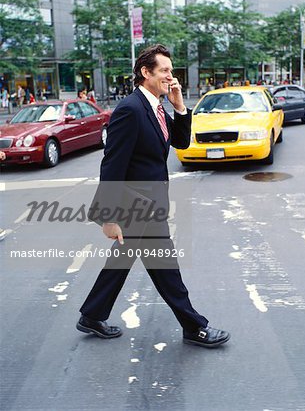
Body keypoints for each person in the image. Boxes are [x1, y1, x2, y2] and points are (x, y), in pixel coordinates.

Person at [76, 44, 230, 348]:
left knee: (123, 264)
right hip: (136, 207)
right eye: (164, 71)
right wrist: (108, 217)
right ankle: (194, 326)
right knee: (166, 269)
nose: (171, 77)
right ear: (145, 73)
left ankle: (91, 315)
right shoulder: (130, 109)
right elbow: (112, 163)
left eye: (171, 71)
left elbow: (182, 143)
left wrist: (180, 107)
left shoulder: (156, 107)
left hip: (150, 205)